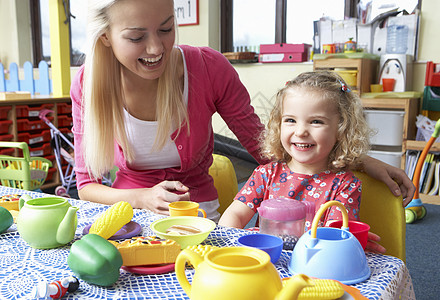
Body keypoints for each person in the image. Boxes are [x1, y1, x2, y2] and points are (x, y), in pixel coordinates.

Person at [71, 0, 414, 224]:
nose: (156, 48)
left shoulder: (208, 68)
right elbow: (86, 186)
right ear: (105, 38)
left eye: (166, 28)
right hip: (126, 213)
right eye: (135, 37)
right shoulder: (88, 83)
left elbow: (265, 147)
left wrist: (356, 158)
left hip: (197, 215)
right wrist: (142, 197)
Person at [219, 72, 382, 253]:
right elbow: (235, 214)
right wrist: (229, 242)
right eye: (290, 120)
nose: (301, 131)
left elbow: (332, 238)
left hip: (311, 266)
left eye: (316, 121)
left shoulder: (345, 184)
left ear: (341, 130)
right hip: (265, 262)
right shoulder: (266, 174)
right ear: (279, 125)